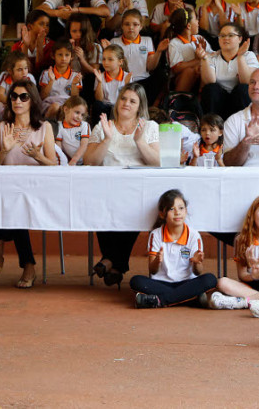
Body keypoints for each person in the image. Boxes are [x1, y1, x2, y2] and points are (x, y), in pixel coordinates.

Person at [0, 80, 59, 288]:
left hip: (36, 189)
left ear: (32, 100)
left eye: (23, 97)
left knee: (15, 201)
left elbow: (53, 164)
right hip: (8, 189)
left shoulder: (44, 128)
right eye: (14, 96)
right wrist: (5, 150)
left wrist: (38, 156)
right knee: (13, 200)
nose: (17, 100)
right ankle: (27, 264)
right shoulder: (2, 128)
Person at [84, 83, 160, 287]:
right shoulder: (103, 126)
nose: (126, 103)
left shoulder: (149, 127)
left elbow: (157, 162)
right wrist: (107, 139)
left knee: (134, 207)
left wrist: (140, 142)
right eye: (123, 99)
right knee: (100, 204)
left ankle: (110, 260)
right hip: (107, 188)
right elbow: (90, 161)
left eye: (132, 101)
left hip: (137, 189)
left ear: (139, 106)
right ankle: (116, 264)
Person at [130, 190, 217, 308]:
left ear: (186, 211)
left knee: (210, 279)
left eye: (181, 208)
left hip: (186, 282)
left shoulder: (194, 235)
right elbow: (153, 270)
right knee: (136, 281)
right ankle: (190, 299)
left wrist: (197, 263)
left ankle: (159, 300)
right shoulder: (156, 235)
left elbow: (198, 272)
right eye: (171, 209)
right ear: (162, 214)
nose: (177, 213)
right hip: (161, 283)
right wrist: (157, 261)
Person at [199, 22, 258, 119]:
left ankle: (244, 126)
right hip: (219, 101)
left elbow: (247, 81)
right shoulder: (212, 56)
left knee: (243, 89)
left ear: (239, 39)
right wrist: (205, 59)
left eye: (230, 35)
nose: (225, 38)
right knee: (211, 89)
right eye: (222, 36)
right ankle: (213, 127)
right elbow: (210, 81)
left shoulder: (249, 56)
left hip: (239, 101)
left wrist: (240, 57)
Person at [56, 96, 91, 165]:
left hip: (85, 161)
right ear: (65, 109)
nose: (79, 117)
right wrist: (63, 162)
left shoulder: (84, 125)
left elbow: (84, 145)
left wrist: (74, 160)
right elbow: (59, 147)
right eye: (77, 112)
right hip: (68, 162)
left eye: (82, 115)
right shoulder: (59, 126)